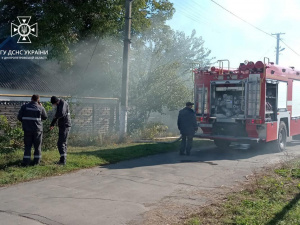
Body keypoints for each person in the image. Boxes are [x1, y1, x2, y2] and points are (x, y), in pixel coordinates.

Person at [17, 94, 48, 166]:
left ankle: (26, 162)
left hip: (27, 130)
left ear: (31, 99)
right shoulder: (40, 107)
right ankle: (36, 162)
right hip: (37, 130)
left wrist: (25, 122)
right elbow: (45, 117)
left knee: (28, 146)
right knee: (37, 147)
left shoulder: (24, 107)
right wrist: (42, 106)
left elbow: (19, 117)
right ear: (38, 100)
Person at [50, 96, 71, 165]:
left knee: (61, 143)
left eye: (54, 104)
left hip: (65, 125)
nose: (54, 105)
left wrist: (55, 117)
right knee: (63, 142)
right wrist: (52, 124)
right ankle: (62, 160)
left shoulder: (63, 103)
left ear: (56, 102)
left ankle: (63, 161)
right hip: (63, 125)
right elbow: (57, 115)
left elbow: (61, 114)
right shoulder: (59, 104)